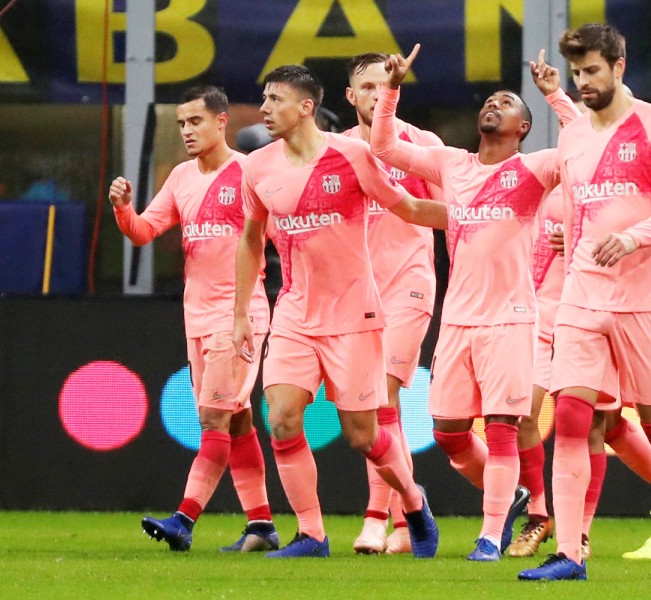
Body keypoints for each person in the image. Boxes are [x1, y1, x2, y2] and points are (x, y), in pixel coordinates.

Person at [517, 23, 651, 582]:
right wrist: (569, 240)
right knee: (575, 420)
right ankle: (570, 555)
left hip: (645, 298)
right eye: (577, 73)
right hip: (583, 295)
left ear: (619, 66)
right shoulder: (575, 138)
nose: (584, 82)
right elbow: (580, 208)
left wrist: (631, 238)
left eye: (592, 71)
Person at [371, 45, 580, 562]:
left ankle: (489, 536)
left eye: (507, 102)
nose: (494, 104)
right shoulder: (453, 166)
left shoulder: (533, 171)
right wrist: (392, 90)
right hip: (458, 322)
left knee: (504, 427)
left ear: (523, 128)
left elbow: (585, 146)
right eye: (490, 99)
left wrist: (554, 94)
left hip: (510, 320)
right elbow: (385, 147)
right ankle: (510, 497)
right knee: (448, 435)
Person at [233, 64, 443, 559]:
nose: (263, 109)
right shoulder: (258, 166)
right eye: (263, 99)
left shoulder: (351, 155)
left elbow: (407, 207)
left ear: (306, 108)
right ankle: (312, 535)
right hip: (294, 313)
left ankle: (413, 503)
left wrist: (476, 218)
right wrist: (242, 312)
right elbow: (249, 239)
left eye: (274, 100)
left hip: (355, 314)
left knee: (363, 435)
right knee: (282, 417)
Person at [108, 85, 279, 553]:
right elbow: (144, 232)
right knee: (237, 421)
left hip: (239, 315)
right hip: (197, 316)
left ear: (221, 121)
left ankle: (184, 520)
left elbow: (282, 234)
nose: (186, 130)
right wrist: (123, 209)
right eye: (181, 123)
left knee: (212, 416)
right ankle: (262, 527)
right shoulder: (182, 177)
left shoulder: (249, 172)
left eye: (195, 122)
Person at [342, 52, 444, 555]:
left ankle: (374, 518)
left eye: (386, 86)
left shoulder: (421, 145)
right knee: (380, 411)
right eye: (366, 87)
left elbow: (457, 210)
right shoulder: (334, 152)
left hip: (409, 285)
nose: (376, 94)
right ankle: (409, 517)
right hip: (357, 295)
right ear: (350, 95)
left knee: (380, 399)